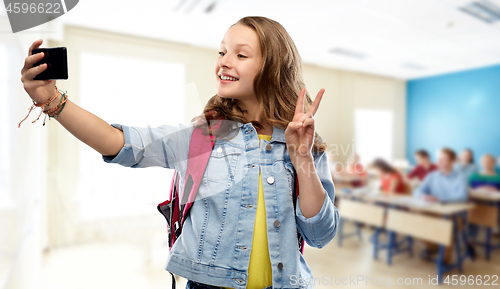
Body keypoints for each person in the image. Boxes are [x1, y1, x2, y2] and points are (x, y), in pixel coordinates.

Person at [20, 17, 339, 289]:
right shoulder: (201, 139)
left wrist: (302, 159)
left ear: (273, 68)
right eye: (222, 51)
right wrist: (52, 101)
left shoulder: (305, 145)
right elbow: (118, 142)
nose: (223, 61)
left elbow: (320, 234)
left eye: (241, 55)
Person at [414, 148, 468, 264]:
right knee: (413, 221)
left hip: (454, 215)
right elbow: (418, 190)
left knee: (446, 225)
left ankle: (444, 259)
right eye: (439, 159)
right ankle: (435, 247)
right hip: (433, 210)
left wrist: (439, 199)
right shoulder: (432, 176)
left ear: (453, 161)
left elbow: (462, 197)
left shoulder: (460, 177)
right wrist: (422, 196)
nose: (440, 162)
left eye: (444, 159)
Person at [468, 154, 500, 240]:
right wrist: (479, 189)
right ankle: (470, 240)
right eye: (484, 162)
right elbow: (467, 189)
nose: (487, 164)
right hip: (477, 203)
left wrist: (495, 190)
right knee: (471, 213)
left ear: (494, 163)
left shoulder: (498, 176)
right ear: (480, 163)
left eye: (489, 162)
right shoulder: (473, 175)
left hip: (495, 204)